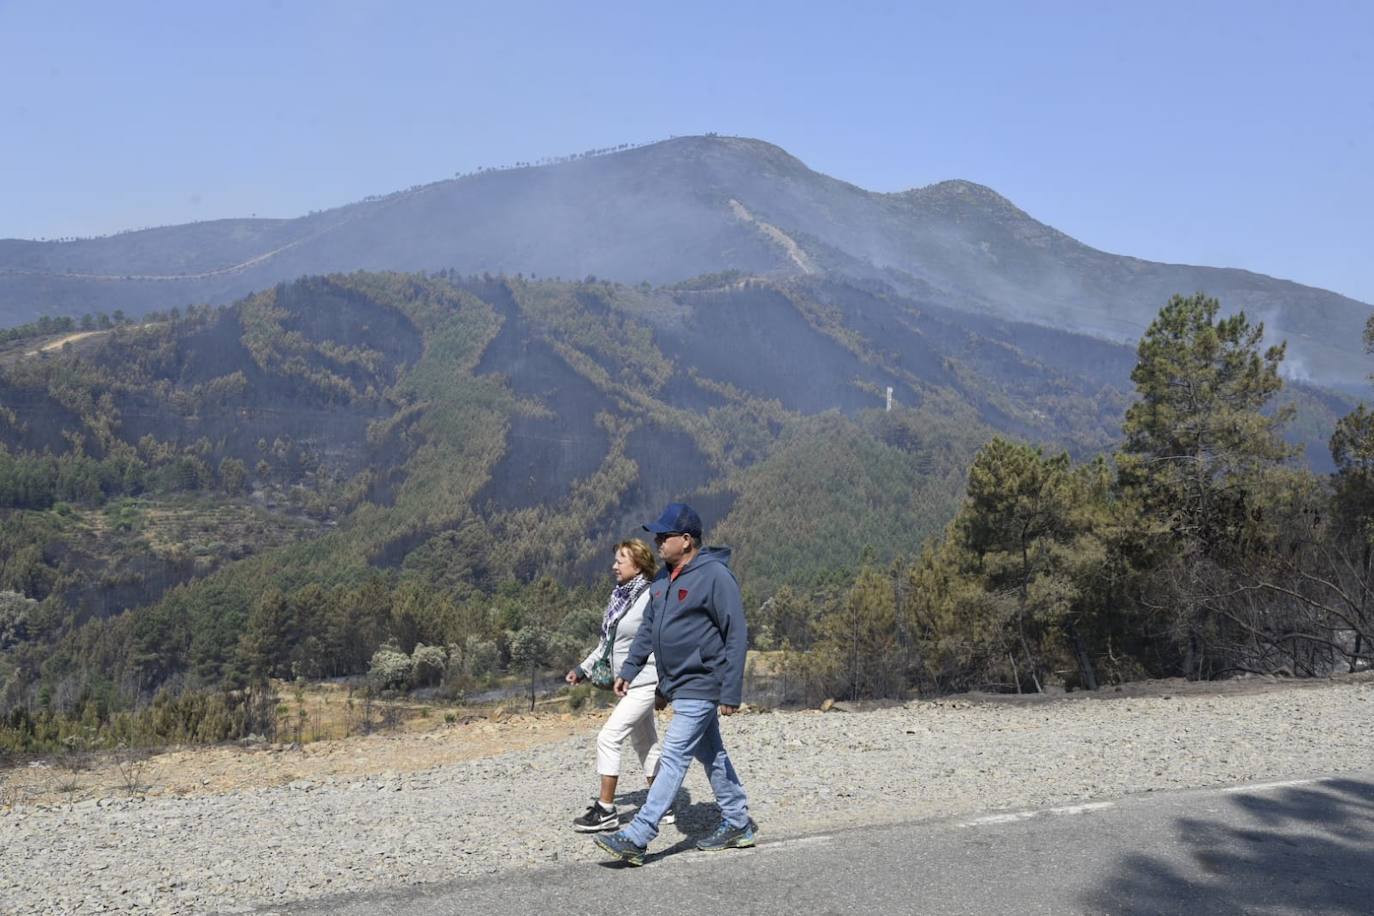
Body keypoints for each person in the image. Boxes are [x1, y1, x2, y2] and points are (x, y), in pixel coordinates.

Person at [593, 502, 756, 866]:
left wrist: (730, 690)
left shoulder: (715, 576)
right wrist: (631, 669)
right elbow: (650, 629)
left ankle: (638, 835)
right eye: (657, 536)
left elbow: (736, 633)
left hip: (703, 682)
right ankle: (738, 821)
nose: (657, 543)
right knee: (710, 752)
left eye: (664, 537)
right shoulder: (664, 580)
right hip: (678, 683)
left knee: (674, 754)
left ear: (686, 540)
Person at [565, 538, 669, 832]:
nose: (613, 566)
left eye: (620, 560)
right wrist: (581, 669)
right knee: (645, 742)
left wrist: (665, 685)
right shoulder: (620, 596)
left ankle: (607, 810)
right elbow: (607, 644)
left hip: (647, 679)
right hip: (630, 681)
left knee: (608, 737)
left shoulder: (651, 596)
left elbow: (660, 638)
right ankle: (663, 804)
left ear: (637, 565)